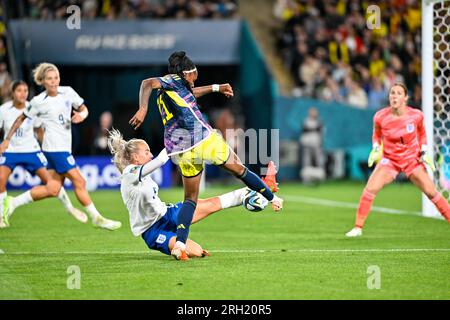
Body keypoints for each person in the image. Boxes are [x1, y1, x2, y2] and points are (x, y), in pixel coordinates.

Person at [129, 51, 283, 260]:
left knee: (190, 200)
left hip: (180, 148)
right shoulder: (171, 80)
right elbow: (147, 82)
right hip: (201, 139)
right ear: (186, 73)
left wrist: (216, 88)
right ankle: (271, 195)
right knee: (240, 170)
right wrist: (142, 109)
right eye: (194, 73)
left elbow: (190, 94)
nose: (196, 77)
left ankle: (180, 244)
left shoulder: (174, 87)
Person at [108, 128, 277, 260]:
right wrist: (176, 142)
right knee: (196, 253)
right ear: (136, 157)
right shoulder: (130, 173)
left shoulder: (140, 173)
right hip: (151, 231)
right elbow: (160, 161)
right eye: (147, 152)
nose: (150, 154)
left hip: (167, 213)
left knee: (211, 204)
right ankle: (179, 248)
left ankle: (259, 188)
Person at [0, 63, 121, 231]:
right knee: (80, 180)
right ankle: (97, 218)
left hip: (64, 147)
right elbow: (21, 118)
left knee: (53, 188)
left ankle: (12, 202)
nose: (54, 81)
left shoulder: (68, 92)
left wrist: (82, 115)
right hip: (54, 148)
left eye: (56, 77)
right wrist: (7, 140)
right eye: (49, 79)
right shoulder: (38, 101)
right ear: (42, 81)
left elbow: (84, 108)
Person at [346, 83, 450, 237]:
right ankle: (357, 228)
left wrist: (424, 150)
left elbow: (422, 133)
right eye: (392, 93)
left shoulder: (416, 115)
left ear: (405, 97)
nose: (394, 96)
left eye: (398, 93)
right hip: (390, 160)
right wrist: (375, 148)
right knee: (369, 189)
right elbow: (376, 134)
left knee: (431, 192)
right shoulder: (380, 116)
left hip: (411, 160)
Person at [0, 80, 87, 228]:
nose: (23, 94)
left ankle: (69, 208)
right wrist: (5, 142)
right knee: (1, 179)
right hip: (11, 151)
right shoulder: (3, 109)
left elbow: (39, 131)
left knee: (51, 183)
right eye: (19, 90)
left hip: (32, 151)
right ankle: (2, 215)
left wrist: (47, 148)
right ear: (13, 93)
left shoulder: (33, 107)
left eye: (25, 90)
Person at [299, 107, 325, 184]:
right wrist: (313, 129)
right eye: (311, 112)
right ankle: (306, 178)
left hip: (316, 144)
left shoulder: (319, 122)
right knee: (306, 161)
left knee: (318, 161)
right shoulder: (305, 121)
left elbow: (320, 131)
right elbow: (304, 129)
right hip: (307, 144)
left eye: (314, 112)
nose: (313, 114)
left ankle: (320, 178)